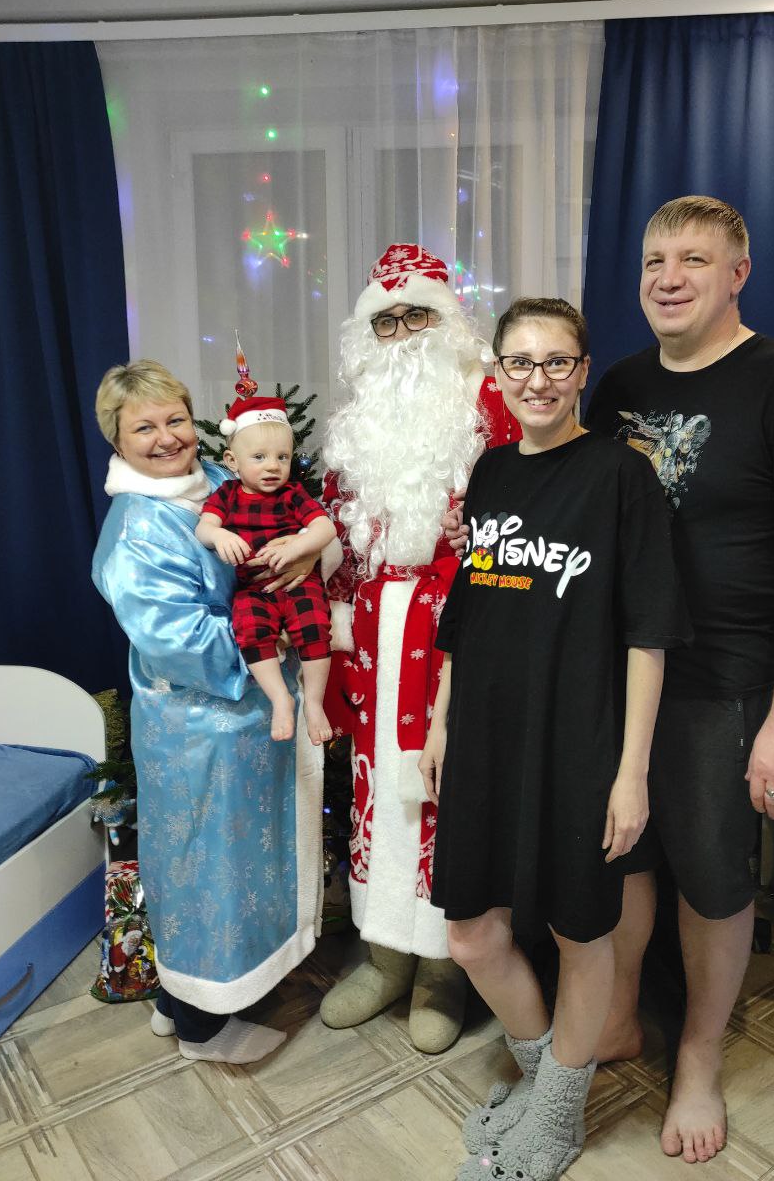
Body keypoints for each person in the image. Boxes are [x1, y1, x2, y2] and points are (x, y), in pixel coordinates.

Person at [584, 196, 774, 1164]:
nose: (668, 277)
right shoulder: (618, 385)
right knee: (621, 857)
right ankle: (622, 1014)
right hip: (623, 674)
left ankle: (699, 1054)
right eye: (654, 259)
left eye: (694, 259)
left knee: (711, 877)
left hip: (726, 680)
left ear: (738, 273)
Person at [420, 297, 690, 1181]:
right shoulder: (490, 473)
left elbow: (648, 634)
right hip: (484, 737)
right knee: (473, 934)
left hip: (579, 739)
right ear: (498, 373)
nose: (538, 379)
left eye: (556, 361)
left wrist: (631, 772)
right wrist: (440, 721)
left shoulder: (620, 475)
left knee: (581, 933)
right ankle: (543, 1077)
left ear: (582, 371)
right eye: (521, 362)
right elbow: (466, 615)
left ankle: (559, 1116)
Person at [318, 243, 521, 1054]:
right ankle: (384, 957)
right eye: (387, 321)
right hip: (374, 634)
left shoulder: (491, 407)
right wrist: (336, 641)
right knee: (378, 796)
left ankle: (443, 968)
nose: (403, 335)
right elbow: (339, 541)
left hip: (458, 630)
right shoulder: (359, 420)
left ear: (449, 322)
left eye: (418, 317)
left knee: (447, 793)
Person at [93, 360, 324, 1064]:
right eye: (144, 428)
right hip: (197, 730)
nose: (166, 438)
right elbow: (175, 638)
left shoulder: (219, 480)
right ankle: (202, 1024)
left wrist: (301, 562)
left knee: (235, 865)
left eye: (176, 420)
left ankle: (181, 1001)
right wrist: (275, 636)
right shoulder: (135, 529)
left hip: (250, 723)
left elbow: (284, 537)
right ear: (117, 440)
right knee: (201, 866)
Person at [196, 394, 337, 746]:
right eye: (259, 457)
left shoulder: (292, 495)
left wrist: (297, 547)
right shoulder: (227, 495)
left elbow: (325, 528)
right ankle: (280, 699)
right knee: (250, 629)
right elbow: (203, 528)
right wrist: (218, 534)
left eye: (282, 457)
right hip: (253, 588)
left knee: (315, 626)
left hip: (298, 583)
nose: (272, 466)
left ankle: (314, 702)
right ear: (232, 460)